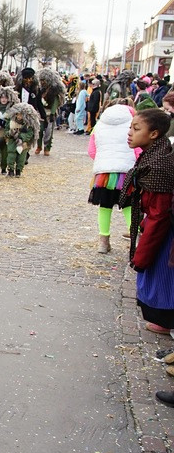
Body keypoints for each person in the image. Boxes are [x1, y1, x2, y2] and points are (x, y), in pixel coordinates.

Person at [119, 108, 174, 336]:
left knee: (163, 282)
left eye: (136, 128)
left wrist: (141, 256)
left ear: (153, 134)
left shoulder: (159, 166)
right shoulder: (153, 156)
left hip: (165, 234)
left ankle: (168, 323)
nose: (130, 133)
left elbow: (159, 214)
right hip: (158, 228)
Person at [87, 99, 136, 254]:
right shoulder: (134, 125)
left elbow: (91, 151)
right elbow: (139, 150)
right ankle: (136, 241)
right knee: (130, 206)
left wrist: (105, 161)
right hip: (127, 172)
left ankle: (103, 242)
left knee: (105, 206)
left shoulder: (99, 126)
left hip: (104, 173)